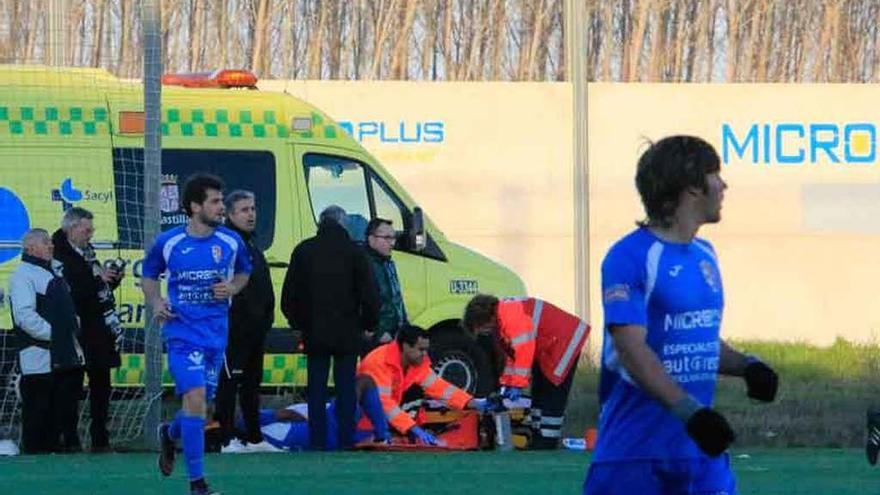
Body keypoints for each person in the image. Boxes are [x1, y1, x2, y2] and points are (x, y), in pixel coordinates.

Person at [583, 135, 779, 495]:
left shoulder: (705, 254)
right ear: (691, 187)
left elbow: (693, 338)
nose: (724, 185)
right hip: (634, 456)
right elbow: (632, 349)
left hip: (698, 454)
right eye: (715, 175)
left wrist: (748, 366)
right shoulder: (630, 256)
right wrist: (692, 414)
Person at [142, 174, 252, 495]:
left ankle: (169, 432)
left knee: (200, 409)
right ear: (194, 206)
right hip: (182, 333)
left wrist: (231, 287)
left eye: (222, 200)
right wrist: (156, 301)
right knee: (195, 398)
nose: (222, 207)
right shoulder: (169, 242)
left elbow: (245, 273)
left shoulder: (231, 242)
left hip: (215, 335)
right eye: (215, 201)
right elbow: (148, 275)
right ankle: (198, 484)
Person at [281, 205, 380, 451]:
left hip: (315, 333)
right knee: (346, 387)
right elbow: (370, 295)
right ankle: (345, 440)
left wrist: (299, 324)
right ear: (343, 224)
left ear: (320, 223)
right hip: (348, 333)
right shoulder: (355, 253)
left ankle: (317, 441)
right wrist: (368, 324)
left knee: (316, 389)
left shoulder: (304, 251)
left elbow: (289, 297)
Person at [461, 294, 590, 448]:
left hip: (565, 340)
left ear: (486, 319)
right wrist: (506, 385)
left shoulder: (510, 314)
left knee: (552, 392)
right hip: (551, 342)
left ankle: (547, 442)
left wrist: (517, 384)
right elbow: (512, 356)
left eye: (484, 330)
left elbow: (524, 349)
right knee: (539, 392)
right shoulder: (503, 318)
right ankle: (538, 439)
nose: (486, 334)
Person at [52, 207, 124, 452]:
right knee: (70, 387)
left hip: (98, 329)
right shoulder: (57, 253)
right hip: (75, 329)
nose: (91, 234)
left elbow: (96, 289)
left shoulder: (87, 251)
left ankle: (100, 439)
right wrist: (97, 280)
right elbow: (69, 290)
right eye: (87, 229)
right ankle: (69, 440)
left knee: (102, 385)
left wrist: (110, 280)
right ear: (71, 229)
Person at [9, 228, 85, 454]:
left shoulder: (53, 272)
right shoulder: (23, 275)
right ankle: (35, 459)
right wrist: (56, 335)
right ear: (29, 247)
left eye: (51, 242)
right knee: (38, 414)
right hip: (37, 356)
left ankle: (60, 450)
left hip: (62, 356)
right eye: (45, 242)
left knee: (60, 413)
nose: (50, 245)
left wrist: (73, 328)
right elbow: (24, 316)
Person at [213, 190, 274, 451]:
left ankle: (254, 437)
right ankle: (225, 438)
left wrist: (266, 317)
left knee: (251, 385)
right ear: (229, 214)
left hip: (255, 328)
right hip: (234, 328)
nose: (251, 214)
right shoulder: (226, 243)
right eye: (244, 210)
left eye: (253, 208)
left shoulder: (251, 243)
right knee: (228, 383)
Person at [357, 324, 489, 444]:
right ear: (405, 346)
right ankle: (385, 436)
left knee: (417, 391)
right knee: (413, 394)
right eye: (421, 349)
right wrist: (413, 428)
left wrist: (472, 403)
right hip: (366, 422)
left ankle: (397, 435)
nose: (425, 354)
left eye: (426, 349)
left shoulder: (416, 363)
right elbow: (383, 403)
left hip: (389, 419)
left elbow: (440, 388)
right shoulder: (378, 362)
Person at [224, 376, 390, 452]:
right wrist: (303, 416)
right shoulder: (253, 420)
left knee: (360, 432)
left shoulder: (263, 431)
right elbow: (285, 414)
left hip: (320, 435)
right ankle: (383, 435)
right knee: (364, 382)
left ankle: (381, 436)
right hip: (323, 428)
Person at [362, 217, 408, 355]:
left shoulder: (388, 263)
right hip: (377, 339)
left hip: (393, 336)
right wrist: (379, 332)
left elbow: (396, 297)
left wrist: (404, 324)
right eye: (387, 238)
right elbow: (362, 302)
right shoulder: (364, 265)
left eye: (393, 238)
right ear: (371, 239)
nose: (392, 243)